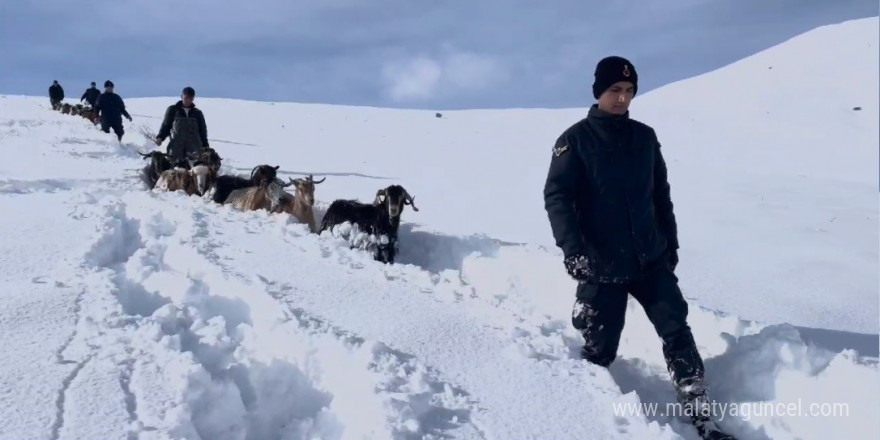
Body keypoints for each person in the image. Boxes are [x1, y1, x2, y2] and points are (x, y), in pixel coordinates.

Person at [543, 56, 734, 440]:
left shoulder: (644, 137)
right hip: (602, 264)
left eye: (629, 91)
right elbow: (557, 197)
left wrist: (671, 245)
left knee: (676, 327)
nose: (622, 98)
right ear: (599, 92)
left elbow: (660, 195)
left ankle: (700, 412)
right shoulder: (574, 140)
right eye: (615, 90)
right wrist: (573, 250)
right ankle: (590, 419)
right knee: (599, 351)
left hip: (650, 259)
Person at [155, 86, 209, 167]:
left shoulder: (197, 113)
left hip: (194, 148)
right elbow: (166, 125)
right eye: (186, 97)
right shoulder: (172, 110)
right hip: (176, 148)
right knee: (175, 171)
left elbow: (202, 131)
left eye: (191, 98)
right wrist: (160, 137)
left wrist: (206, 146)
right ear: (182, 96)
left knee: (195, 171)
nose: (188, 100)